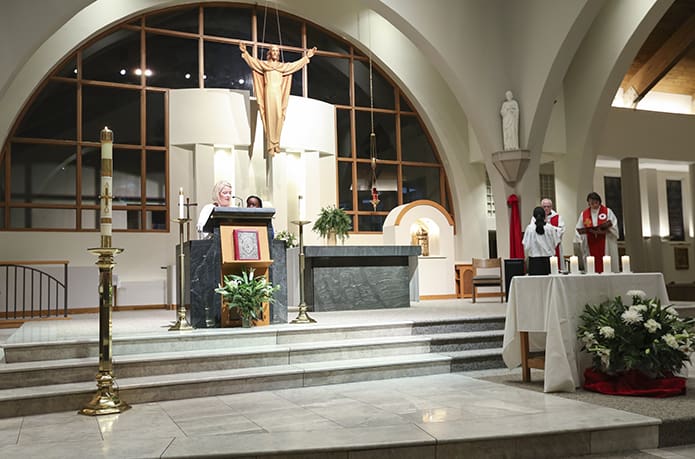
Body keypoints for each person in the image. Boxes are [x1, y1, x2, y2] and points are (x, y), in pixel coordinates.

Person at [240, 43, 317, 156]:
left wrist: (307, 57)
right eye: (273, 51)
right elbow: (253, 62)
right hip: (269, 91)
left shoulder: (282, 67)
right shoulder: (264, 65)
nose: (275, 53)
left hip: (278, 92)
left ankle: (276, 143)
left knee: (279, 116)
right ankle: (270, 145)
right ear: (270, 53)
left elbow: (295, 65)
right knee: (269, 116)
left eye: (277, 51)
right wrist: (245, 52)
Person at [575, 192, 619, 273]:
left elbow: (614, 226)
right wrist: (586, 233)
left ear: (599, 202)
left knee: (606, 263)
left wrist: (604, 230)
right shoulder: (584, 214)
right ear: (588, 203)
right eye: (591, 203)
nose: (594, 205)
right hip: (590, 242)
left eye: (596, 202)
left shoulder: (607, 211)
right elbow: (579, 229)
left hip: (605, 240)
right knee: (592, 265)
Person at [523, 206, 562, 275]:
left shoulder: (530, 229)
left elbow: (526, 245)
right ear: (545, 216)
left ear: (534, 217)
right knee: (550, 284)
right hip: (549, 261)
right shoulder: (550, 228)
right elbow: (556, 242)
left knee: (535, 284)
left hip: (534, 261)